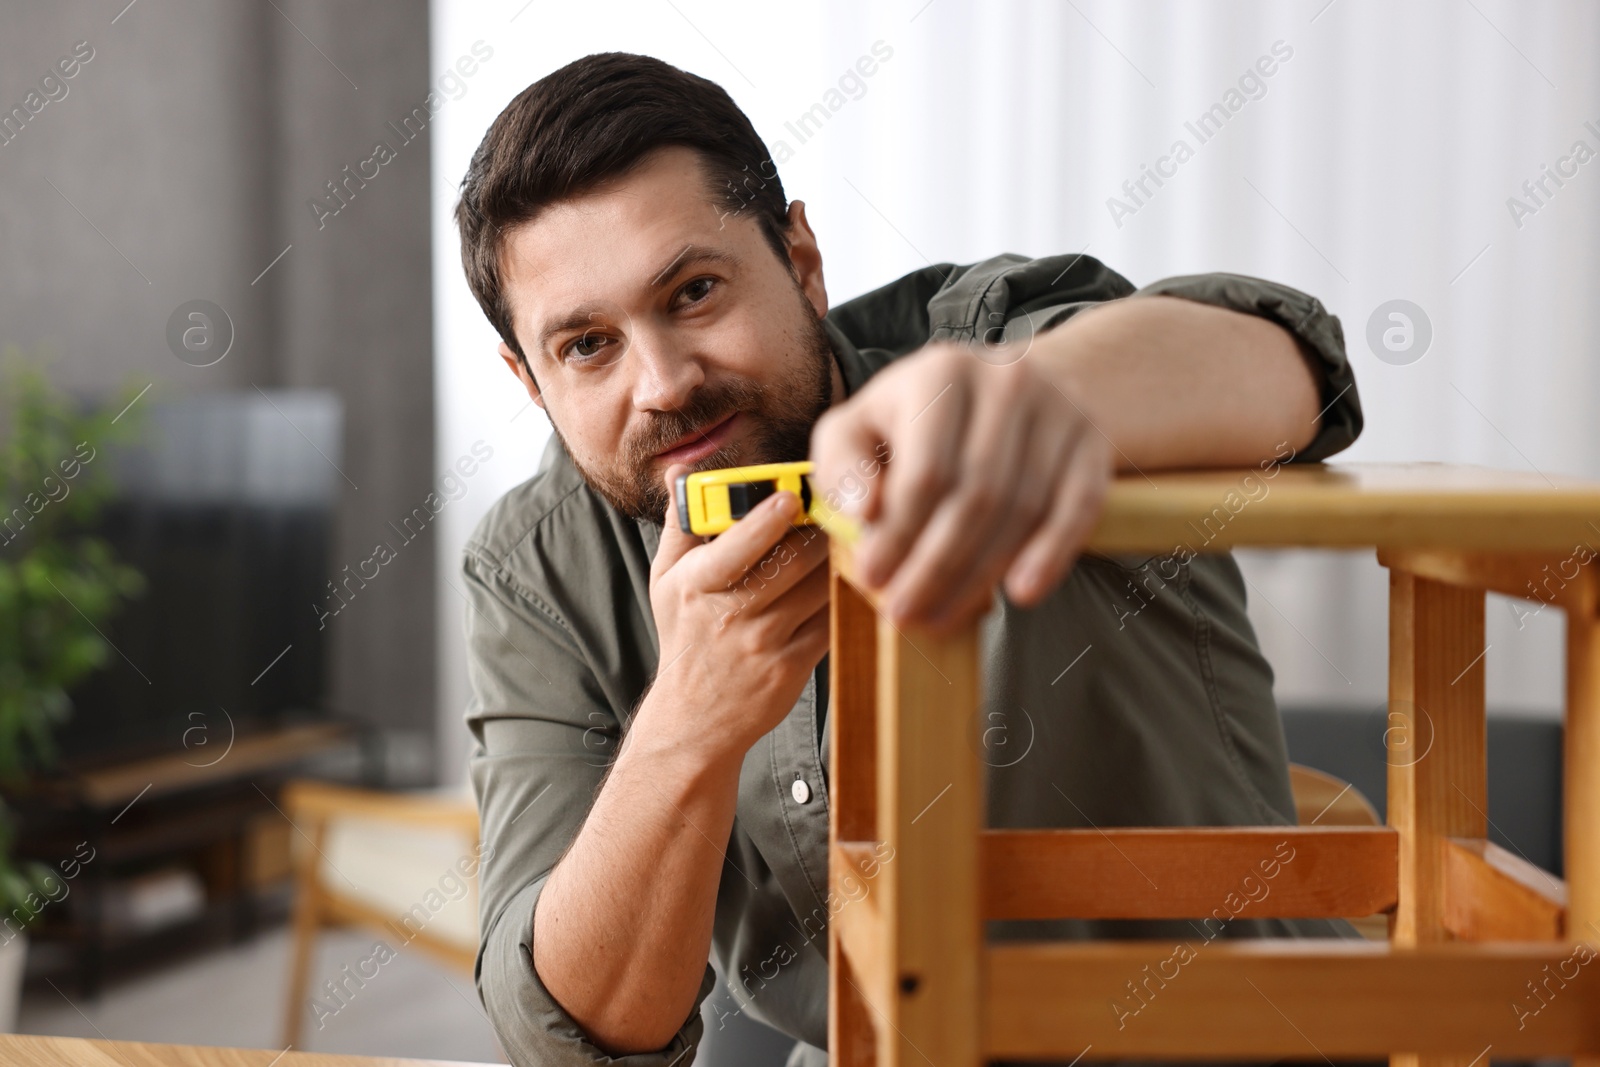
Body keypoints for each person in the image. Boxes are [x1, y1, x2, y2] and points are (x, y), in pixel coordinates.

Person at [454, 51, 1363, 1067]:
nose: (663, 382)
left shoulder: (976, 340)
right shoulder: (535, 566)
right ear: (528, 379)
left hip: (1225, 1042)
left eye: (696, 290)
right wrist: (689, 724)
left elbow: (1291, 370)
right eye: (586, 346)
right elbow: (569, 1037)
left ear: (799, 258)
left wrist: (1033, 400)